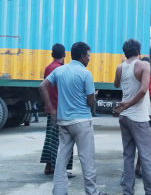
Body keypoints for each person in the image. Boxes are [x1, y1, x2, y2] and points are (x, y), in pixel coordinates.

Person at [39, 42, 108, 195]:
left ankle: (59, 191)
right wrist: (93, 96)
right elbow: (90, 102)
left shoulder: (60, 71)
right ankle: (92, 191)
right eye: (88, 56)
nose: (89, 59)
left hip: (64, 122)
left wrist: (50, 108)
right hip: (82, 122)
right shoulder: (85, 74)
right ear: (82, 56)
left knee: (61, 158)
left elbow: (42, 86)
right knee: (87, 158)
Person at [114, 39, 151, 195]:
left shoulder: (120, 67)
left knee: (128, 156)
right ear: (139, 52)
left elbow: (115, 84)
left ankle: (128, 191)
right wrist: (129, 104)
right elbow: (143, 90)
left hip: (124, 117)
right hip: (138, 117)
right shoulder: (143, 65)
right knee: (147, 156)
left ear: (125, 53)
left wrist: (125, 105)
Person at [40, 44, 75, 178]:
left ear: (52, 54)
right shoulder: (61, 69)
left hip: (50, 108)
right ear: (64, 55)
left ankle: (48, 166)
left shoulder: (48, 67)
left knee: (50, 139)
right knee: (62, 141)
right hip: (59, 109)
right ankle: (59, 170)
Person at [133, 57, 151, 178]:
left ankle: (139, 167)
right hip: (133, 116)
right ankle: (128, 173)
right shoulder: (133, 77)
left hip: (145, 116)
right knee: (132, 146)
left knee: (144, 145)